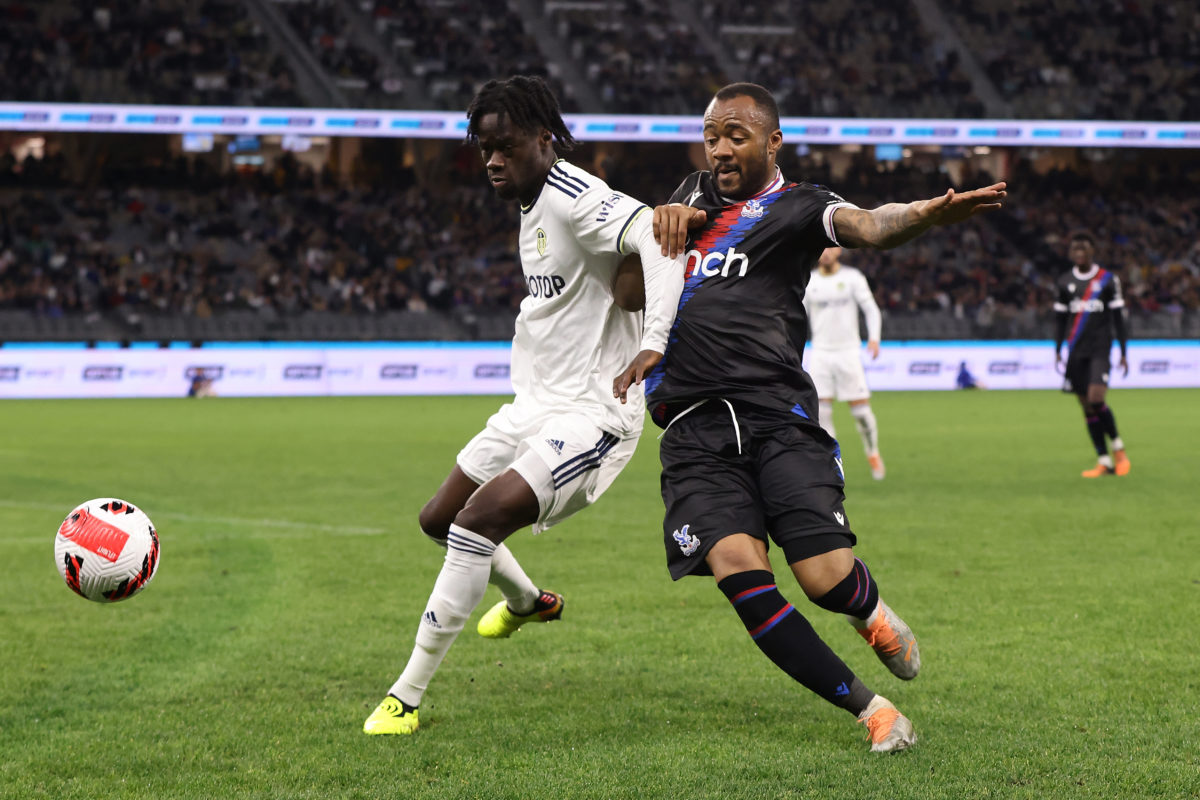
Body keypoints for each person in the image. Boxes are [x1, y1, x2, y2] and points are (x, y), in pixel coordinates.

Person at [614, 82, 1006, 753]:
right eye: (711, 136)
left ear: (773, 142)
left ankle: (871, 612)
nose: (720, 149)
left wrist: (922, 215)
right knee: (742, 575)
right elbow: (626, 293)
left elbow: (870, 225)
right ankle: (873, 711)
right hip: (692, 429)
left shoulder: (799, 207)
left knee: (823, 577)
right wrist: (653, 233)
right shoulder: (688, 199)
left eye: (735, 135)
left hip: (775, 413)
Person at [364, 76, 684, 735]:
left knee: (476, 522)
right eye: (483, 148)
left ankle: (406, 696)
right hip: (532, 404)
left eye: (504, 146)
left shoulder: (574, 194)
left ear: (544, 140)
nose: (491, 161)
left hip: (593, 414)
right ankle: (530, 601)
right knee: (439, 518)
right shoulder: (531, 199)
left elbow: (655, 235)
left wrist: (653, 343)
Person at [802, 246, 886, 479]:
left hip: (848, 353)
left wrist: (874, 338)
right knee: (823, 415)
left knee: (861, 413)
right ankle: (832, 464)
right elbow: (798, 315)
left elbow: (871, 309)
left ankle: (872, 451)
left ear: (838, 250)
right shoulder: (809, 281)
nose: (824, 252)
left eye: (829, 247)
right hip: (820, 353)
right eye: (821, 248)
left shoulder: (852, 278)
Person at [1053, 231, 1130, 478]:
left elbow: (1118, 318)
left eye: (1084, 249)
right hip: (1076, 349)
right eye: (1075, 249)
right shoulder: (1064, 282)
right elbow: (1060, 319)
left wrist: (1124, 351)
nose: (1079, 253)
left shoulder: (1107, 280)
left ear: (1092, 251)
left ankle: (1118, 448)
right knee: (1086, 407)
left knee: (1097, 399)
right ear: (1071, 253)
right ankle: (1104, 460)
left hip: (1100, 348)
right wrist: (1057, 349)